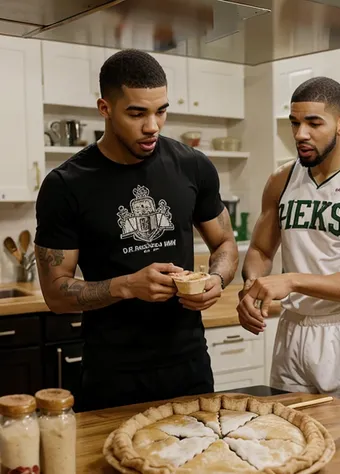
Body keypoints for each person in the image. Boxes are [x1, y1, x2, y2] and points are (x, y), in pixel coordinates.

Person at [34, 49, 238, 411]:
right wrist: (127, 285)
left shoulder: (192, 166)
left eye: (161, 110)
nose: (153, 126)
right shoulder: (66, 185)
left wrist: (217, 281)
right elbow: (55, 293)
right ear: (105, 108)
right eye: (137, 113)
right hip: (113, 373)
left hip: (189, 364)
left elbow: (224, 241)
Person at [237, 77, 340, 402]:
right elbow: (260, 249)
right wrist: (250, 289)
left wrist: (292, 281)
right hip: (292, 331)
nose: (301, 134)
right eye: (295, 123)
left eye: (314, 123)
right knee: (286, 437)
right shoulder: (281, 179)